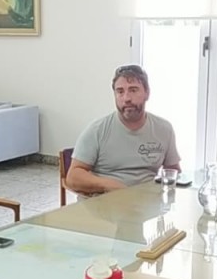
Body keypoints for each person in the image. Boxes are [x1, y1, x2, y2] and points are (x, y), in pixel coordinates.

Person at [66, 64, 181, 197]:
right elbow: (73, 177)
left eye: (133, 90)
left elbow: (173, 171)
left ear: (147, 93)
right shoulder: (97, 130)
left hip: (147, 203)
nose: (126, 98)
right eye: (120, 92)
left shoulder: (164, 129)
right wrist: (107, 185)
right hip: (104, 203)